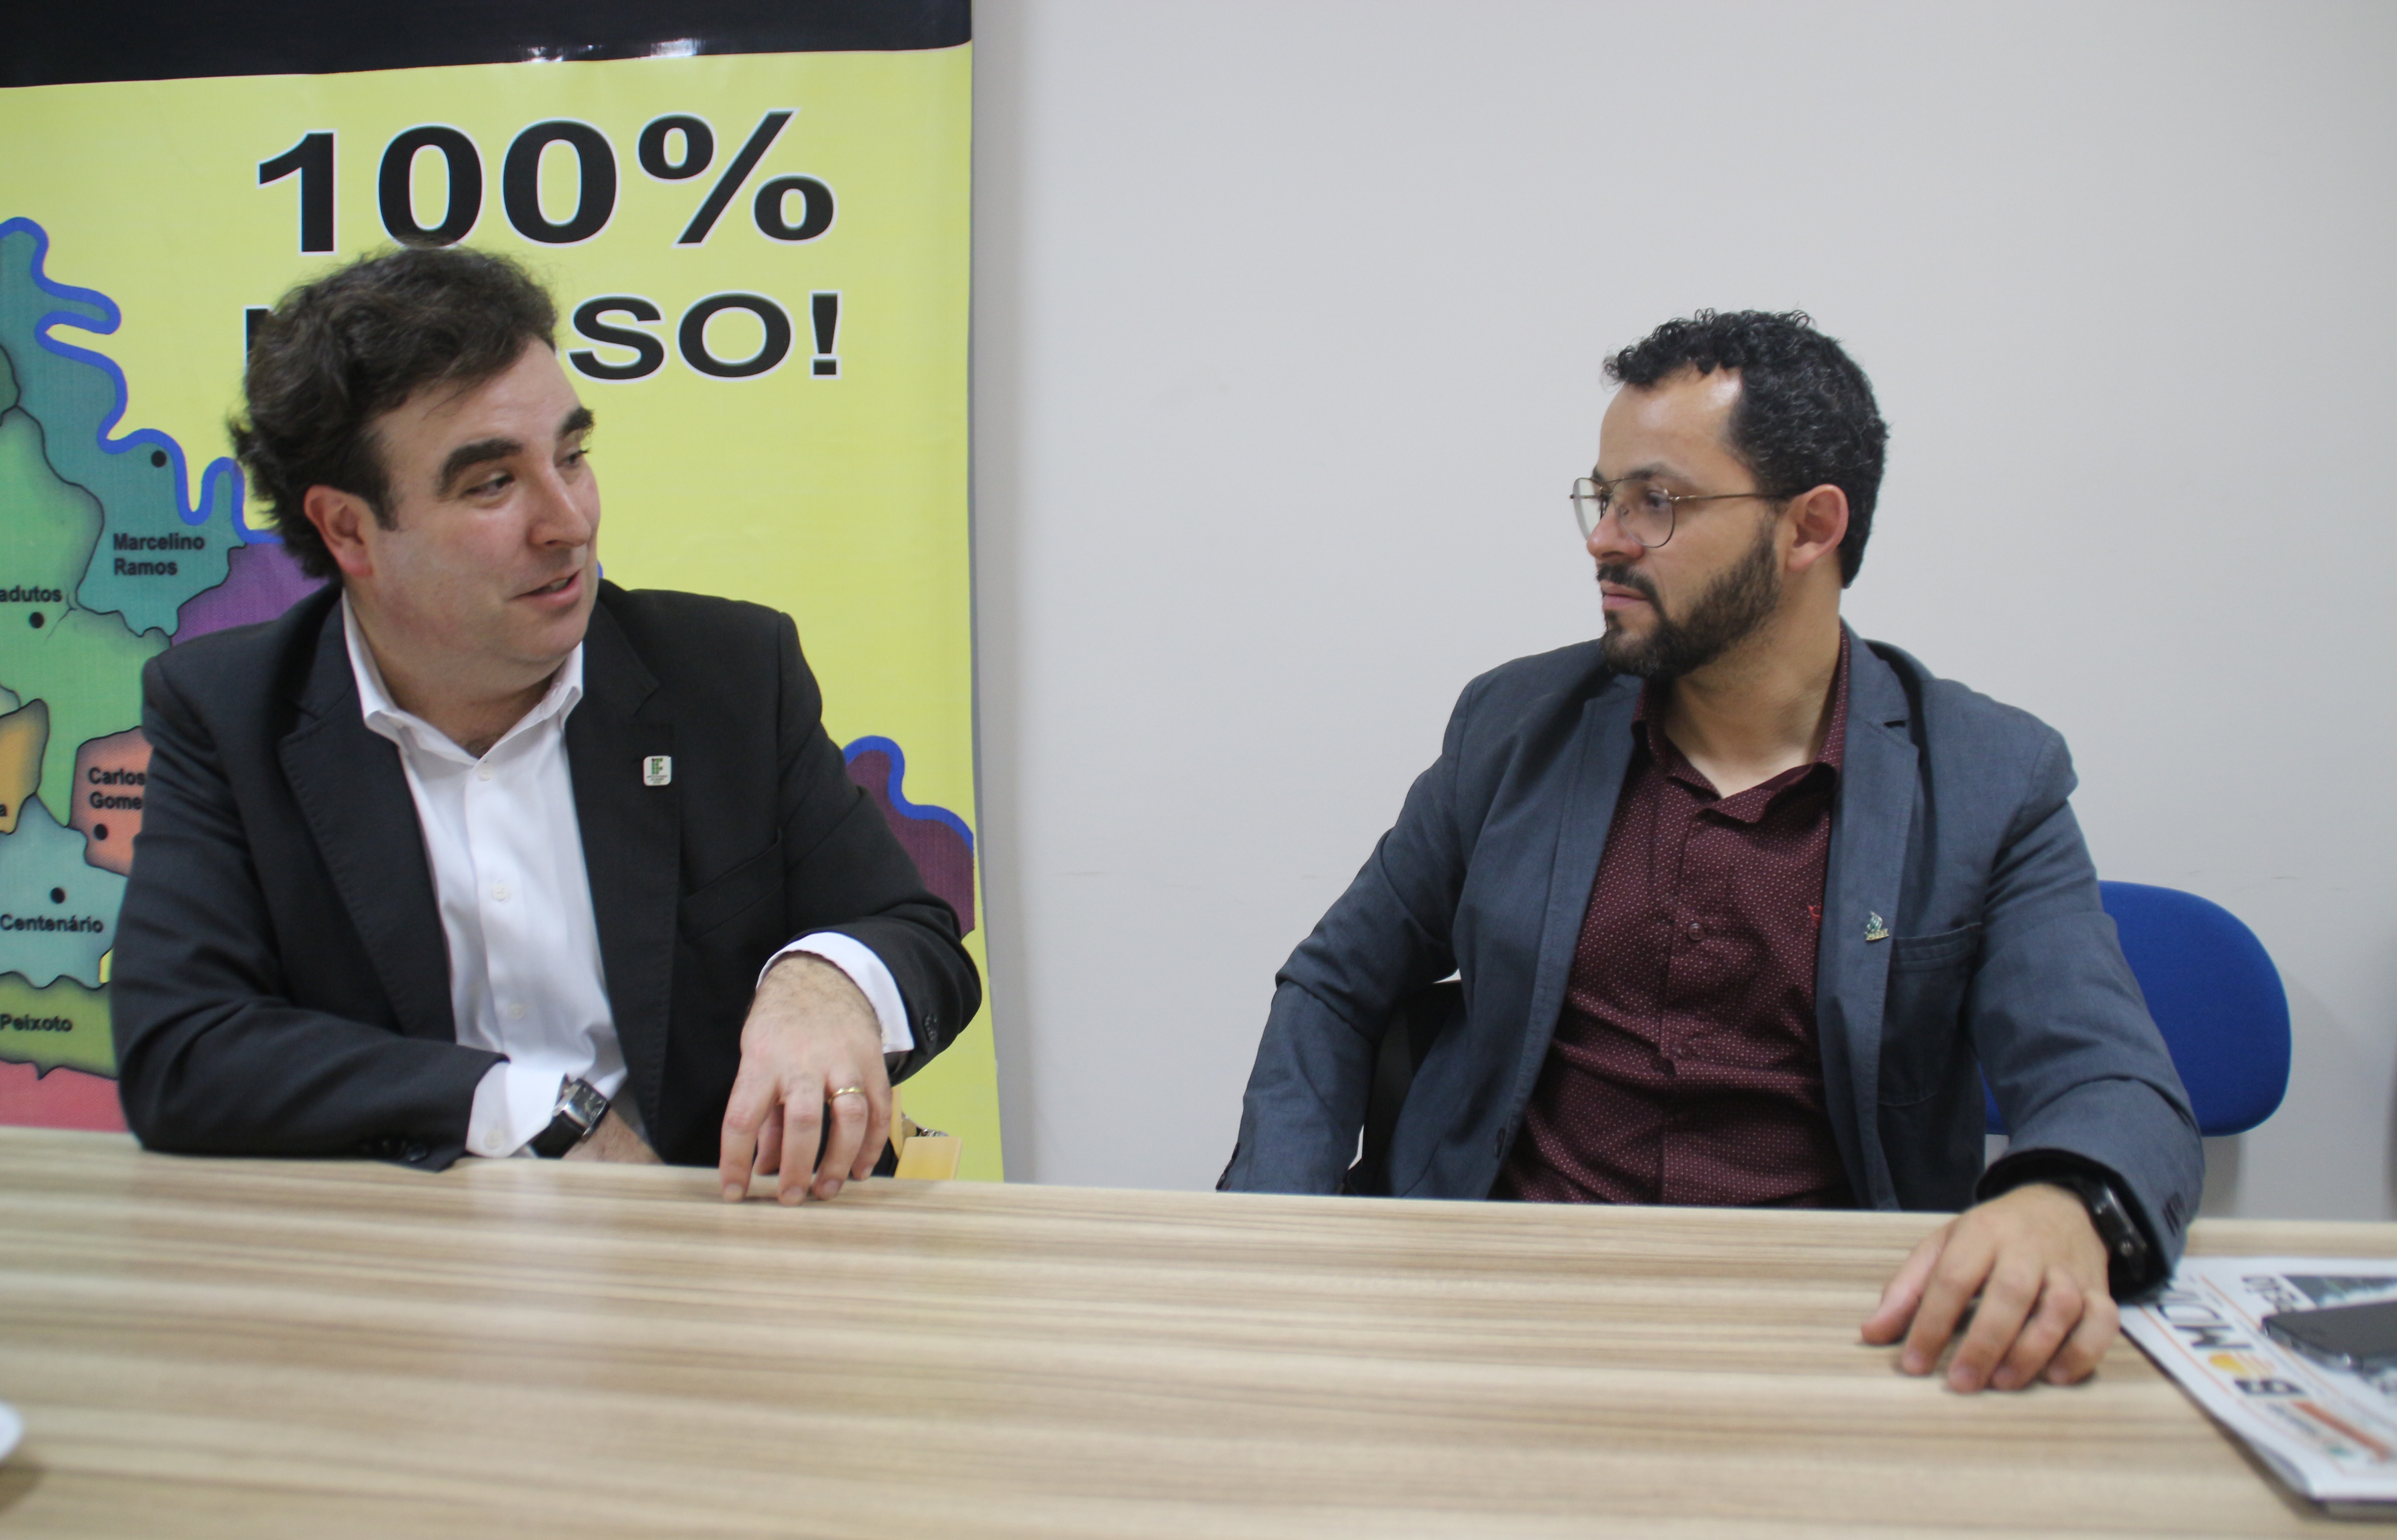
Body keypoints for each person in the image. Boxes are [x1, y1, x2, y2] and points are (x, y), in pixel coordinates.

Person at [1221, 309, 2202, 1393]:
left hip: (1831, 1338)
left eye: (1657, 502)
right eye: (1603, 497)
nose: (1605, 539)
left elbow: (2110, 1077)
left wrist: (2062, 1205)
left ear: (1809, 528)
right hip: (1493, 1307)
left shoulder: (1986, 780)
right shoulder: (1514, 729)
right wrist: (1279, 1226)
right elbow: (1335, 984)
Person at [112, 245, 979, 1203]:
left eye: (571, 457)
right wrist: (528, 1109)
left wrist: (826, 983)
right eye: (493, 484)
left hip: (731, 1241)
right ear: (349, 529)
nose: (568, 521)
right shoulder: (231, 714)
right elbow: (183, 1051)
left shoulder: (728, 674)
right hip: (411, 1258)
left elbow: (916, 936)